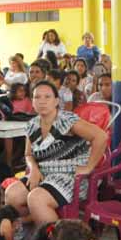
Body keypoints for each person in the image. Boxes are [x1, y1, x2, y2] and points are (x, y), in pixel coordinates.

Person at [7, 82, 108, 225]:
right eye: (37, 97)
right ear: (32, 102)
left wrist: (89, 167)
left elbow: (101, 137)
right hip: (43, 174)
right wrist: (34, 169)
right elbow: (28, 154)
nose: (42, 101)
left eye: (47, 97)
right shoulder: (32, 125)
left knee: (36, 198)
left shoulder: (67, 121)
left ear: (56, 101)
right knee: (12, 195)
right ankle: (34, 228)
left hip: (71, 176)